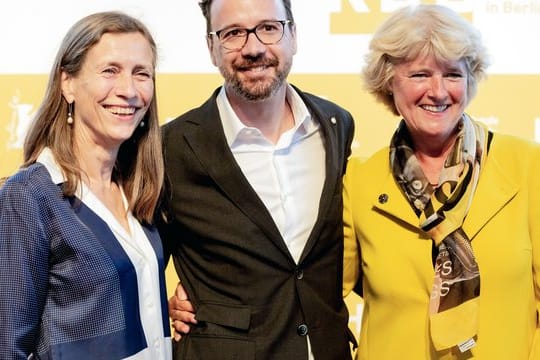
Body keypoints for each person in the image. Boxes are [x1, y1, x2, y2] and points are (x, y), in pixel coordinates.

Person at [159, 0, 356, 358]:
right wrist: (164, 306)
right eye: (233, 33)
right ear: (211, 48)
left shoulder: (336, 124)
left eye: (269, 28)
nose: (253, 48)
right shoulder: (169, 148)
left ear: (293, 35)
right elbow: (135, 259)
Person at [342, 4, 540, 359]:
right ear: (388, 81)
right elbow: (320, 296)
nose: (438, 91)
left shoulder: (527, 166)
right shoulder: (359, 182)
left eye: (452, 74)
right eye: (419, 75)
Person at [0, 11, 171, 359]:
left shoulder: (139, 187)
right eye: (110, 70)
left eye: (142, 74)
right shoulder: (29, 195)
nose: (128, 90)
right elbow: (7, 344)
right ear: (68, 83)